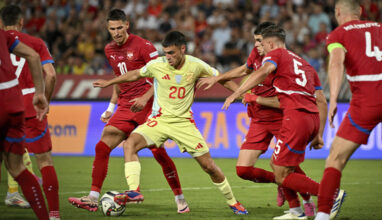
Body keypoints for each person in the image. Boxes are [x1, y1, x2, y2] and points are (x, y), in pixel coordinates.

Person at [93, 31, 248, 215]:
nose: (168, 57)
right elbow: (135, 74)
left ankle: (233, 202)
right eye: (165, 53)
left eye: (172, 53)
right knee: (130, 144)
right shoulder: (157, 64)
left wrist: (241, 94)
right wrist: (110, 83)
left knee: (209, 166)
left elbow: (223, 78)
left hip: (184, 123)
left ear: (183, 49)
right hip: (159, 120)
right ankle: (134, 191)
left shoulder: (196, 65)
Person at [198, 22, 327, 218]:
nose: (257, 46)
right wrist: (218, 79)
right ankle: (282, 184)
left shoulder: (278, 60)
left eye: (260, 41)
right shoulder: (258, 55)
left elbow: (286, 98)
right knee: (243, 169)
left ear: (269, 42)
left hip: (280, 118)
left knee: (283, 166)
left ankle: (300, 206)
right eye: (255, 41)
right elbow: (244, 69)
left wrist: (249, 96)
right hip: (258, 119)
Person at [68, 9, 189, 214]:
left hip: (148, 104)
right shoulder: (109, 50)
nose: (116, 32)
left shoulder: (144, 46)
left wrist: (144, 98)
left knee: (159, 153)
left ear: (127, 25)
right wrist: (110, 108)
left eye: (119, 28)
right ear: (108, 29)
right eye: (112, 29)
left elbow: (163, 75)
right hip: (125, 106)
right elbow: (120, 80)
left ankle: (180, 198)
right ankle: (92, 198)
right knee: (102, 146)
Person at [316, 1, 382, 219]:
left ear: (337, 12)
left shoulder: (337, 35)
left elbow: (336, 63)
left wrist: (333, 98)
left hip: (366, 102)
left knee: (335, 158)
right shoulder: (380, 28)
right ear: (360, 11)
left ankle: (323, 215)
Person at [0, 5, 60, 220]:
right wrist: (46, 100)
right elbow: (50, 75)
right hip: (32, 105)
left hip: (3, 103)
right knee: (44, 161)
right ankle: (53, 215)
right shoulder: (35, 43)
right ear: (22, 22)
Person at [0, 24, 49, 220]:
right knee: (17, 167)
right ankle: (44, 216)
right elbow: (33, 56)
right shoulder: (1, 35)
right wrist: (40, 94)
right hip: (14, 103)